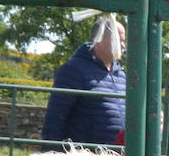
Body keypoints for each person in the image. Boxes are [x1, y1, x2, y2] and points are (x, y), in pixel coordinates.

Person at [40, 15, 127, 147]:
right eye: (118, 40)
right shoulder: (73, 70)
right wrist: (50, 155)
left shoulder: (122, 77)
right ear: (100, 39)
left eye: (123, 41)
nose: (123, 45)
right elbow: (55, 117)